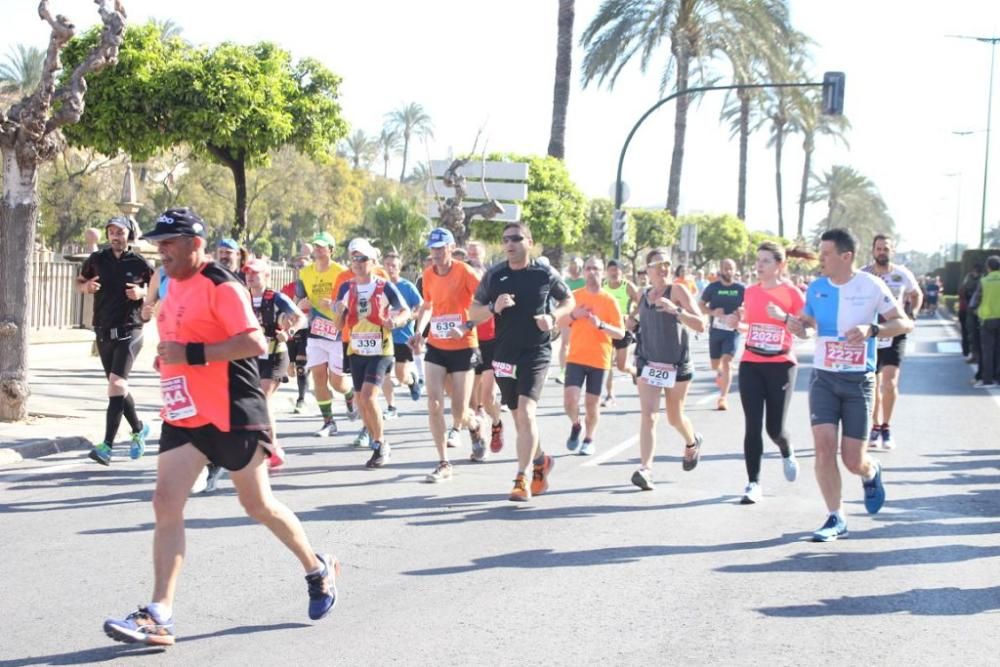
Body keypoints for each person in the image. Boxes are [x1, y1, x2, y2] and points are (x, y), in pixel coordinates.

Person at [102, 208, 339, 647]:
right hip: (185, 413)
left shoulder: (221, 284)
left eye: (169, 243)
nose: (162, 250)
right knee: (165, 501)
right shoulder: (170, 285)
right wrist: (167, 361)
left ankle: (316, 567)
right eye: (158, 243)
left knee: (258, 505)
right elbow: (177, 342)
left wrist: (190, 355)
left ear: (195, 245)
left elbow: (251, 342)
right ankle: (160, 613)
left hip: (232, 410)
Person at [786, 228, 912, 542]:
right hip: (823, 378)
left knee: (852, 460)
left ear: (846, 256)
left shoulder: (871, 285)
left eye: (827, 253)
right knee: (823, 448)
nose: (821, 258)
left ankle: (871, 472)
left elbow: (903, 322)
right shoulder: (816, 288)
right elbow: (806, 328)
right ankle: (835, 516)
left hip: (858, 381)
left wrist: (872, 328)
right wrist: (795, 326)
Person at [469, 222, 573, 502]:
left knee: (526, 413)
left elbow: (569, 301)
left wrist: (553, 318)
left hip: (536, 352)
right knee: (518, 418)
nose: (509, 244)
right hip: (504, 354)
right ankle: (541, 460)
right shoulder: (494, 275)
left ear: (529, 241)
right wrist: (493, 307)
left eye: (516, 238)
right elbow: (473, 312)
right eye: (505, 240)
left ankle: (522, 478)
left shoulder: (543, 272)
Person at [410, 228, 486, 482]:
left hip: (464, 346)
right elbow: (428, 305)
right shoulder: (428, 274)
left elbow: (484, 303)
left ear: (451, 248)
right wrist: (419, 331)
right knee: (433, 404)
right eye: (433, 249)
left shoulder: (465, 272)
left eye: (441, 249)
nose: (437, 254)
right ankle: (444, 462)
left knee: (459, 412)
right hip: (437, 347)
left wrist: (466, 326)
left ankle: (474, 426)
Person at [77, 216, 152, 466]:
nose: (115, 236)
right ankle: (139, 429)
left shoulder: (139, 262)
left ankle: (107, 446)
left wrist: (142, 293)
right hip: (103, 331)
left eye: (120, 232)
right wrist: (86, 286)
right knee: (117, 387)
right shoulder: (97, 259)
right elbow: (79, 281)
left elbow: (158, 289)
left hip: (131, 330)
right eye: (111, 232)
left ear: (129, 235)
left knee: (117, 383)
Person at [629, 250, 706, 491]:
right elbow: (634, 321)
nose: (663, 269)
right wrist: (629, 323)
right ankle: (646, 470)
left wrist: (676, 310)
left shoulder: (678, 291)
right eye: (658, 265)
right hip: (649, 363)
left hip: (676, 365)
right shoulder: (643, 295)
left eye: (667, 264)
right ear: (647, 270)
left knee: (674, 417)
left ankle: (692, 442)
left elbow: (701, 324)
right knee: (649, 415)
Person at [332, 238, 411, 467]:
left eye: (362, 258)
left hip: (381, 350)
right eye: (353, 258)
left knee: (368, 396)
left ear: (373, 261)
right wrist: (338, 311)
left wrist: (394, 322)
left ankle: (380, 443)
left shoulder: (384, 286)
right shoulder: (347, 287)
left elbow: (404, 310)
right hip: (356, 349)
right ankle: (375, 441)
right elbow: (339, 325)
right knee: (360, 400)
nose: (357, 263)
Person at [736, 243, 804, 504]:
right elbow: (751, 325)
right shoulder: (750, 292)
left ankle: (786, 450)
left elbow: (806, 330)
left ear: (779, 265)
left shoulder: (792, 293)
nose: (759, 265)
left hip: (781, 366)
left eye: (765, 261)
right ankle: (753, 482)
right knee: (752, 426)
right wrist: (737, 324)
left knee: (774, 428)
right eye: (758, 260)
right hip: (751, 363)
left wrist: (785, 318)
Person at [244, 258, 307, 469]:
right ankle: (266, 445)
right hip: (251, 356)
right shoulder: (243, 297)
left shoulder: (276, 297)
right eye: (248, 273)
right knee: (252, 400)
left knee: (262, 398)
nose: (251, 276)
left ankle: (270, 446)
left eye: (256, 273)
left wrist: (288, 333)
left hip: (275, 354)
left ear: (266, 276)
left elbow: (300, 318)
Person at [560, 257, 625, 456]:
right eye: (588, 268)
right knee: (570, 401)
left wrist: (602, 326)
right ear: (583, 272)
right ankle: (576, 425)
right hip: (576, 357)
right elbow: (559, 321)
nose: (591, 272)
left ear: (603, 272)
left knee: (591, 404)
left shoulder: (609, 300)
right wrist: (574, 316)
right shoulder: (574, 297)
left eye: (596, 269)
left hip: (600, 359)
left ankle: (589, 438)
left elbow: (621, 333)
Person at [861, 234, 921, 450]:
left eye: (885, 248)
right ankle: (875, 427)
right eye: (878, 248)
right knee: (874, 383)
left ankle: (886, 427)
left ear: (892, 251)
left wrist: (912, 314)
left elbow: (916, 294)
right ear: (873, 251)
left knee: (890, 382)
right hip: (872, 332)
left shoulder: (902, 274)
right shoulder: (864, 273)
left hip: (895, 331)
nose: (881, 252)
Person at [296, 231, 356, 437]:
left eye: (323, 246)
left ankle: (349, 396)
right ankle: (329, 422)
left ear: (331, 250)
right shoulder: (305, 273)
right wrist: (300, 304)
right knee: (319, 378)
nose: (319, 250)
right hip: (315, 332)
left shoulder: (342, 272)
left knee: (337, 382)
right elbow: (299, 300)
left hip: (337, 333)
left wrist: (336, 305)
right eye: (316, 246)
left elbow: (352, 300)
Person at [467, 240, 505, 454]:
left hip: (491, 340)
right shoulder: (461, 275)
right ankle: (478, 443)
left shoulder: (493, 277)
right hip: (469, 340)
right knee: (471, 401)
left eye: (476, 250)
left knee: (487, 397)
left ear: (483, 254)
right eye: (470, 250)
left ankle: (497, 423)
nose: (472, 253)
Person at [380, 250, 423, 418]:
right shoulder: (379, 285)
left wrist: (407, 317)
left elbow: (420, 308)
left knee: (401, 375)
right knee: (385, 373)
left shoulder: (407, 287)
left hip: (403, 336)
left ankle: (411, 381)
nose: (391, 269)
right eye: (388, 265)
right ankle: (392, 408)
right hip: (383, 336)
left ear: (399, 267)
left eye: (394, 266)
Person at [699, 258, 745, 411]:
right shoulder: (713, 287)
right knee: (715, 365)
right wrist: (712, 312)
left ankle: (723, 398)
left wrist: (741, 313)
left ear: (735, 269)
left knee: (727, 362)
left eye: (731, 268)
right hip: (716, 330)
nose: (728, 271)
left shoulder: (741, 288)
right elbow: (700, 305)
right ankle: (720, 374)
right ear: (720, 269)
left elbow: (749, 308)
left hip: (733, 332)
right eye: (725, 268)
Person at [601, 259, 639, 407]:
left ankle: (634, 372)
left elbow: (641, 302)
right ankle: (610, 396)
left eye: (616, 270)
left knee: (622, 366)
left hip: (623, 329)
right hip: (606, 329)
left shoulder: (627, 286)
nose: (614, 273)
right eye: (611, 270)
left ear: (621, 272)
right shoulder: (603, 286)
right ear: (607, 272)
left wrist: (631, 317)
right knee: (608, 363)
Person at [972, 255, 1000, 388]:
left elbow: (975, 301)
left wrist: (975, 311)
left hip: (987, 319)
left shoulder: (984, 281)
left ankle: (988, 380)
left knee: (988, 351)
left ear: (988, 267)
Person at [557, 256, 586, 384]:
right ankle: (563, 371)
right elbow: (560, 298)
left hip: (582, 317)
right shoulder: (565, 282)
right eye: (572, 264)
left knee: (579, 344)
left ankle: (580, 369)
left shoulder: (585, 281)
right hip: (568, 316)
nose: (573, 267)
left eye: (576, 265)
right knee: (565, 343)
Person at [958, 264, 983, 363]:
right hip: (973, 309)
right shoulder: (982, 279)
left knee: (972, 334)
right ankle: (973, 354)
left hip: (972, 309)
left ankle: (973, 354)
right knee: (972, 334)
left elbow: (962, 291)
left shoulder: (974, 279)